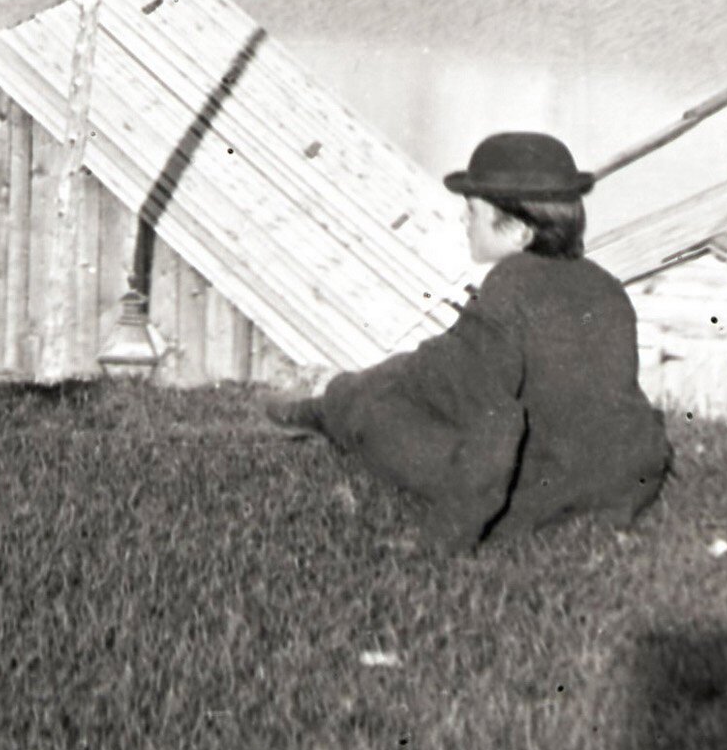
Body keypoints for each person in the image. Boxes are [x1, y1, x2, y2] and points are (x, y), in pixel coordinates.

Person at [279, 132, 670, 549]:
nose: (463, 222)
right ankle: (326, 398)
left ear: (518, 230)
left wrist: (444, 538)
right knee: (420, 368)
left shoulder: (510, 287)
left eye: (472, 212)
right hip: (621, 482)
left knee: (376, 413)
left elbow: (496, 426)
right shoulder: (604, 285)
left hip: (542, 491)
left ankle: (323, 405)